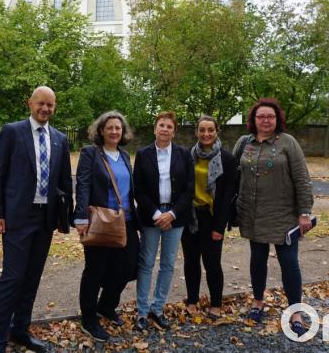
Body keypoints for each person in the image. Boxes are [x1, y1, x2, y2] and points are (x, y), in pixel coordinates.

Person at [0, 86, 73, 353]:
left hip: (45, 219)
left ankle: (20, 330)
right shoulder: (12, 132)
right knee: (12, 278)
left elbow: (63, 182)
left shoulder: (60, 138)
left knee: (32, 277)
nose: (45, 109)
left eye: (50, 105)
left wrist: (63, 218)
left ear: (54, 107)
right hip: (17, 218)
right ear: (30, 104)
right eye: (40, 104)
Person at [232, 98, 314, 337]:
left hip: (283, 216)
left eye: (270, 116)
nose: (265, 120)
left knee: (289, 263)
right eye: (261, 116)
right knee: (257, 259)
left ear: (277, 119)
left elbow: (302, 179)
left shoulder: (288, 143)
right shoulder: (244, 143)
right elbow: (231, 173)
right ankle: (258, 302)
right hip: (252, 213)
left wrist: (305, 212)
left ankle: (296, 312)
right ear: (253, 120)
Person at [73, 111, 139, 342]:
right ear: (101, 130)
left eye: (118, 128)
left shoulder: (123, 155)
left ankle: (106, 306)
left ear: (123, 132)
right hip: (100, 221)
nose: (114, 131)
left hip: (127, 221)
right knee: (94, 271)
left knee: (129, 267)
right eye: (109, 127)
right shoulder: (91, 153)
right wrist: (80, 217)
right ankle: (89, 320)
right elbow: (82, 185)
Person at [132, 111, 194, 331]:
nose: (165, 129)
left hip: (175, 217)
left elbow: (189, 189)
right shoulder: (143, 154)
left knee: (167, 264)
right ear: (155, 129)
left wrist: (173, 214)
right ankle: (141, 311)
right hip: (152, 217)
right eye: (161, 125)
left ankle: (157, 309)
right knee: (146, 263)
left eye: (169, 126)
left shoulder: (184, 155)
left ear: (174, 131)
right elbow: (137, 189)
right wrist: (158, 215)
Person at [180, 115, 238, 319]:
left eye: (210, 130)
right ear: (196, 132)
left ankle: (215, 303)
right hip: (191, 217)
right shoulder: (187, 155)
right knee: (191, 261)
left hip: (213, 218)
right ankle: (193, 300)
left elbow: (227, 197)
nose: (206, 134)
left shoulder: (227, 159)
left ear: (217, 131)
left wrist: (219, 227)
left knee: (212, 263)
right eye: (202, 130)